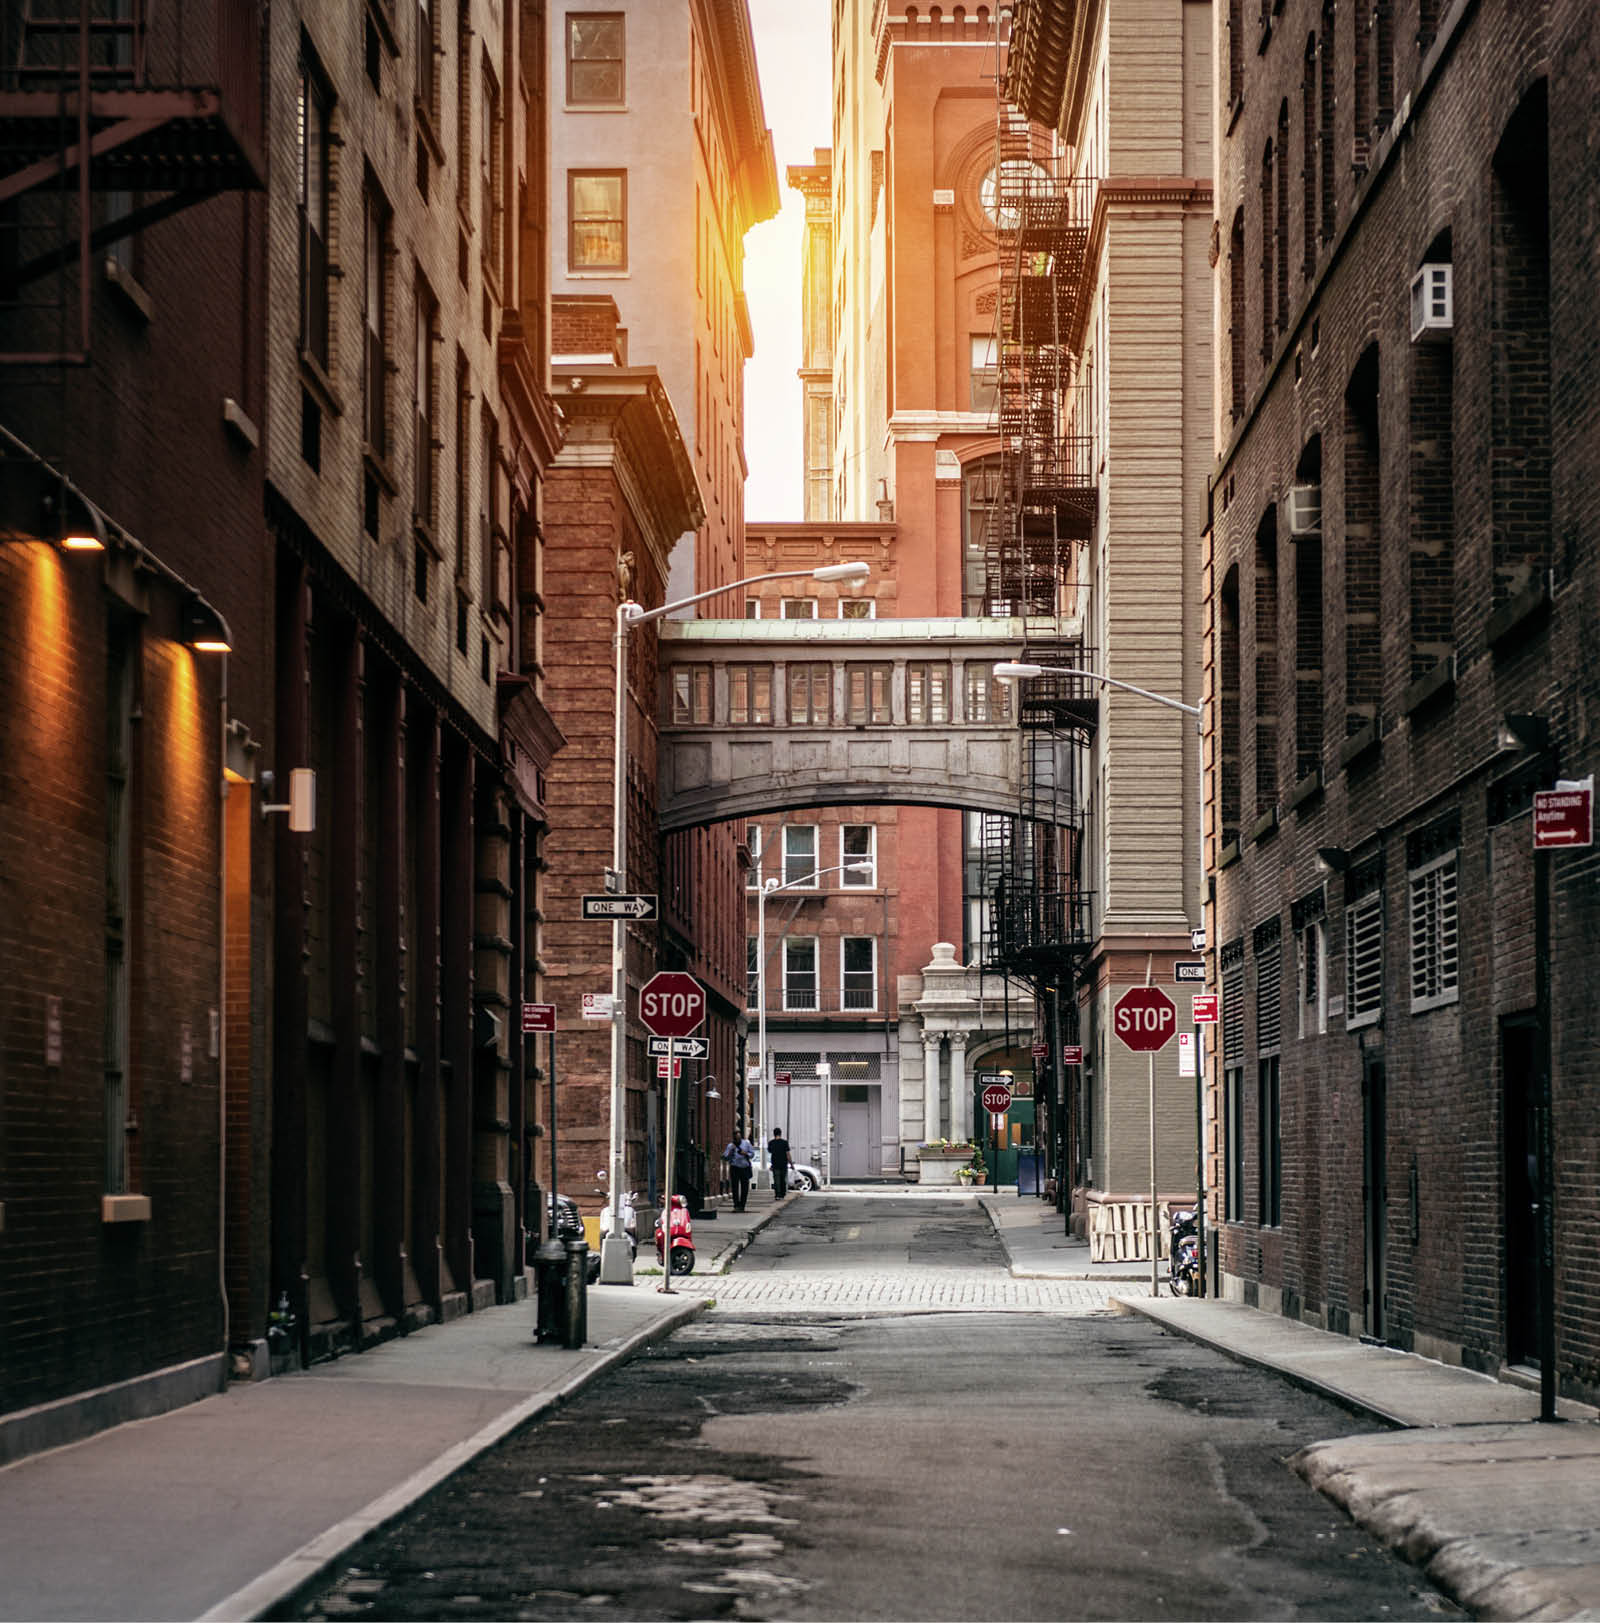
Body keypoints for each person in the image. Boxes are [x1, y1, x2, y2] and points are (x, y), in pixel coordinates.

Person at [723, 1133, 755, 1211]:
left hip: (744, 1168)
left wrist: (746, 1153)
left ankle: (742, 1205)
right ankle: (736, 1205)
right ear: (734, 1139)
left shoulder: (746, 1144)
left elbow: (752, 1154)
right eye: (736, 1139)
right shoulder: (730, 1146)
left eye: (739, 1138)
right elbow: (725, 1157)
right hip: (734, 1168)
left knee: (745, 1187)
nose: (738, 1140)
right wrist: (731, 1151)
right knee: (734, 1187)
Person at [768, 1130, 792, 1199]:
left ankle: (777, 1195)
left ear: (774, 1134)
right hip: (783, 1164)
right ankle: (782, 1194)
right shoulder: (785, 1143)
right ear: (780, 1134)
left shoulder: (771, 1143)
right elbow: (788, 1154)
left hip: (775, 1164)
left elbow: (770, 1152)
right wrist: (791, 1164)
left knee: (776, 1180)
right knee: (782, 1179)